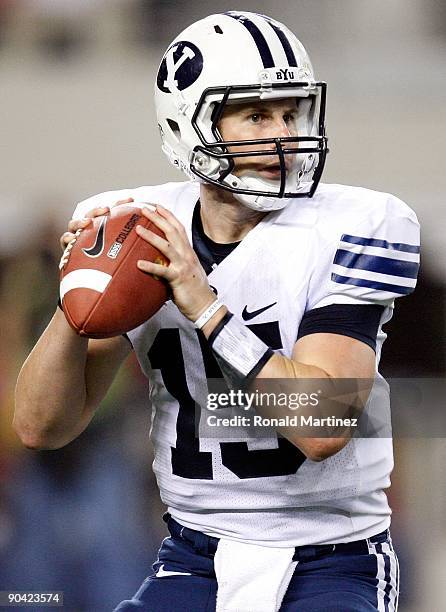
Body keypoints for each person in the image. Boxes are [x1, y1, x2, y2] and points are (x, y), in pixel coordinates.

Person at [14, 11, 419, 612]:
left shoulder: (353, 225)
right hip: (193, 556)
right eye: (256, 114)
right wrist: (77, 300)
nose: (282, 136)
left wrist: (204, 303)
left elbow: (322, 426)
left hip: (333, 556)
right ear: (190, 122)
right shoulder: (142, 226)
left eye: (290, 113)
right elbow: (40, 427)